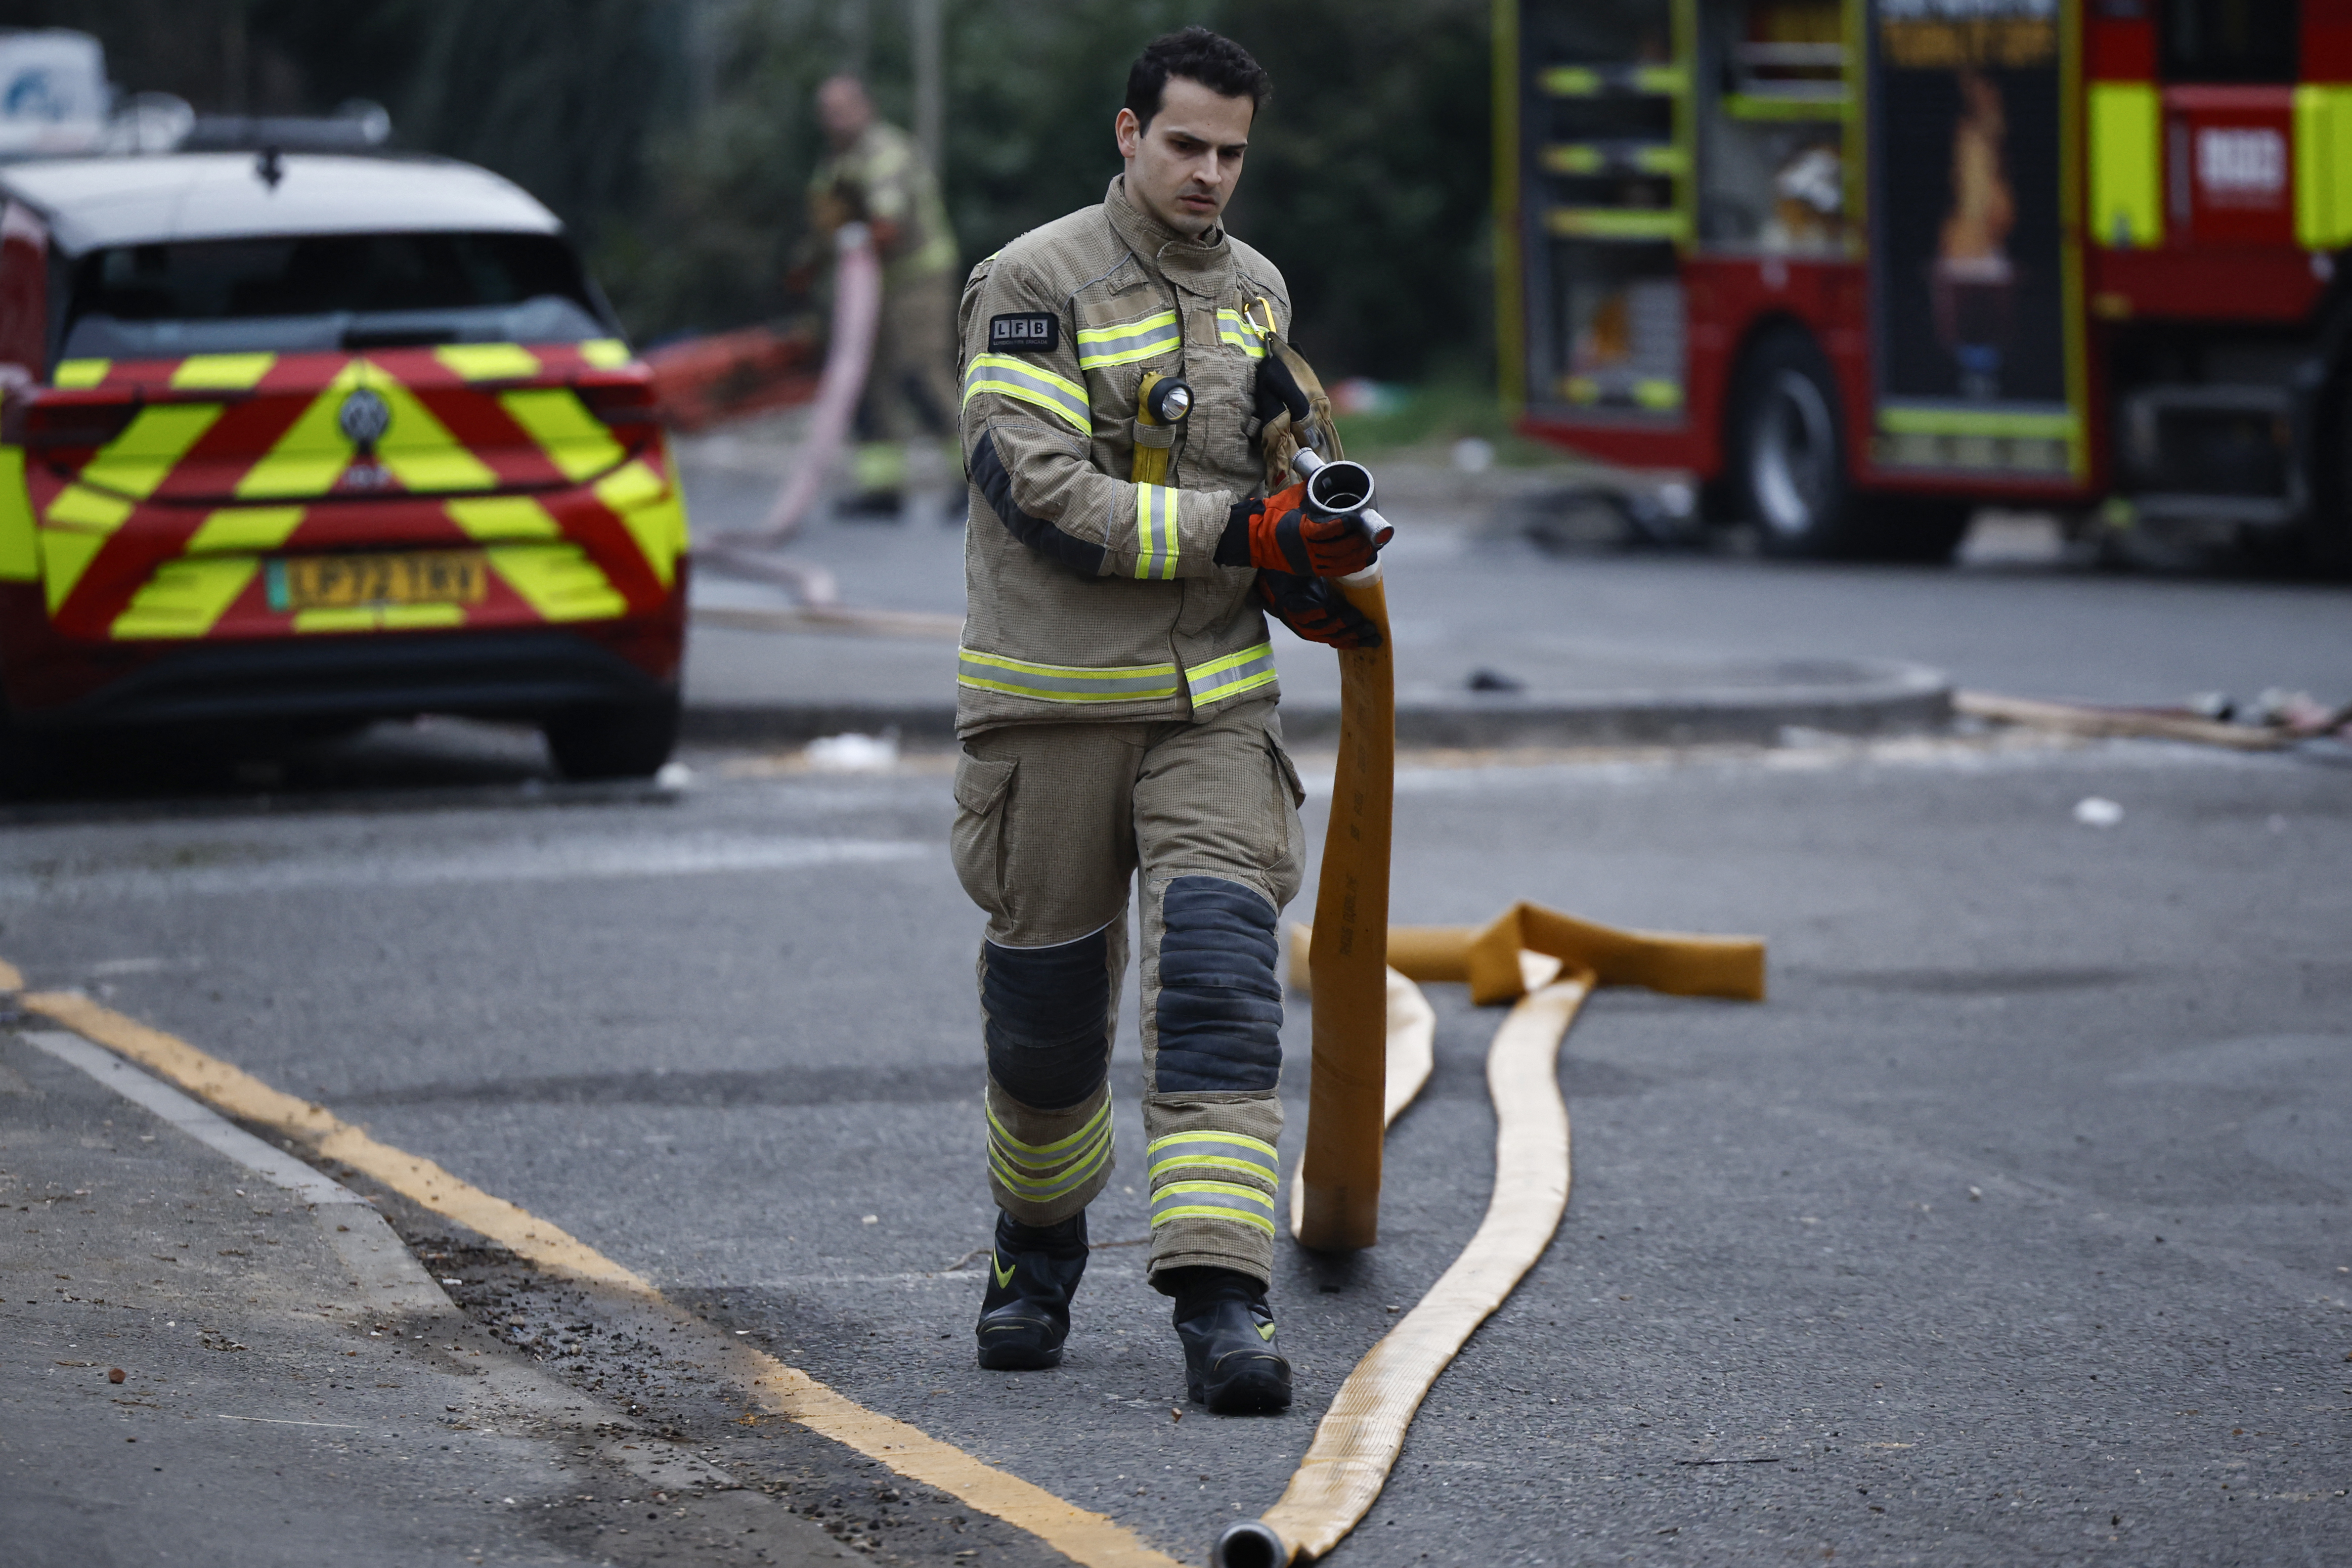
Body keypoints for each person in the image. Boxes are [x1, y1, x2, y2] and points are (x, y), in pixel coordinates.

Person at [948, 26, 1385, 1415]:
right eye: (1184, 144)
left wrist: (1310, 541)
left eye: (1230, 152)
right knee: (1046, 1028)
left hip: (1211, 708)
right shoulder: (1027, 283)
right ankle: (1035, 1251)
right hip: (1054, 711)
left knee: (1216, 990)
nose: (1208, 174)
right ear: (1126, 133)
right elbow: (1046, 497)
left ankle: (1220, 1299)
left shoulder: (1255, 288)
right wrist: (1237, 530)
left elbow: (1279, 459)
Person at [800, 74, 960, 517]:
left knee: (921, 374)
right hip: (866, 288)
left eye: (844, 107)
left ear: (866, 107)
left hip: (916, 278)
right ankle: (882, 489)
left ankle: (973, 480)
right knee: (866, 383)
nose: (836, 119)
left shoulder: (886, 152)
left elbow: (886, 228)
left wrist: (843, 245)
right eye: (828, 111)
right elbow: (825, 226)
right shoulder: (834, 164)